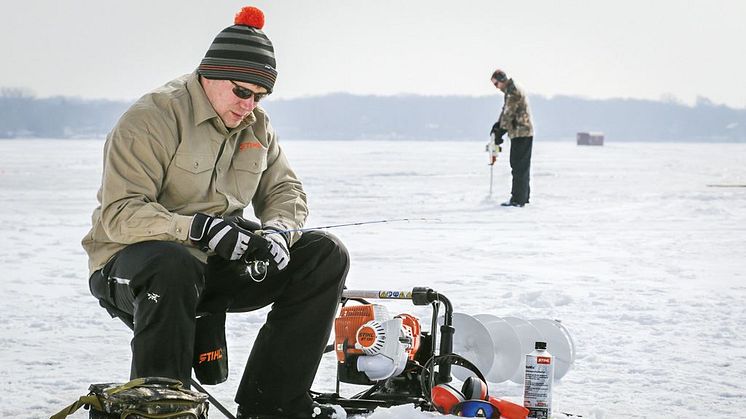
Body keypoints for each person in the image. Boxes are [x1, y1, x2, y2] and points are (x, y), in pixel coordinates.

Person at [82, 6, 349, 419]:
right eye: (242, 92)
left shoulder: (257, 125)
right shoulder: (151, 118)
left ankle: (272, 406)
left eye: (259, 97)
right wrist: (197, 229)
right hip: (131, 265)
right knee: (172, 265)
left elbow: (284, 189)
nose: (249, 106)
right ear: (209, 74)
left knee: (323, 254)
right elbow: (119, 214)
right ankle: (163, 410)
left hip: (214, 263)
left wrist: (279, 231)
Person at [489, 69, 534, 207]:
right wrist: (498, 125)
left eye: (496, 84)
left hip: (521, 133)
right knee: (520, 166)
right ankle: (523, 197)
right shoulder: (510, 91)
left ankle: (518, 199)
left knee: (518, 166)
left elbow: (509, 114)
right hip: (520, 132)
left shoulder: (513, 91)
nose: (496, 87)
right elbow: (505, 112)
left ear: (501, 80)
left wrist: (500, 132)